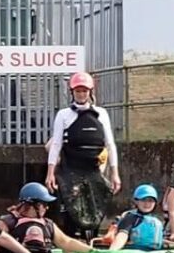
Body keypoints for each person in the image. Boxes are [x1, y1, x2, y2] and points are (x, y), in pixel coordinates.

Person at [43, 71, 121, 238]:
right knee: (72, 209)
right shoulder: (63, 115)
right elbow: (56, 144)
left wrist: (115, 173)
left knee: (97, 205)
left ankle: (91, 240)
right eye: (78, 91)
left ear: (90, 92)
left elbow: (110, 144)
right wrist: (50, 173)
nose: (81, 94)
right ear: (72, 92)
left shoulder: (101, 114)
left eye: (84, 91)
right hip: (70, 169)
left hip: (94, 169)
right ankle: (71, 240)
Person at [0, 182, 93, 253]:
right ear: (32, 205)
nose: (47, 208)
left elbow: (66, 242)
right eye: (44, 204)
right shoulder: (7, 222)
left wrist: (91, 251)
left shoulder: (48, 224)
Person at [107, 184, 166, 251]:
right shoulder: (130, 218)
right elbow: (122, 236)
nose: (147, 204)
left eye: (150, 201)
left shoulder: (157, 221)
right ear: (136, 201)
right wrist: (112, 251)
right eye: (143, 200)